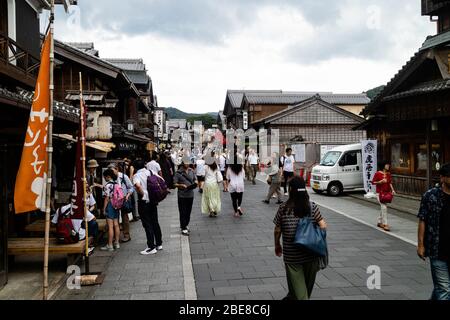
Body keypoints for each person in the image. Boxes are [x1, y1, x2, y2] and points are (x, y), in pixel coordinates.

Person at [274, 177, 328, 300]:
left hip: (292, 257)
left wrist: (277, 244)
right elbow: (323, 226)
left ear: (291, 190)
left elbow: (277, 230)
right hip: (311, 254)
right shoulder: (312, 207)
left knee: (299, 293)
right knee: (304, 293)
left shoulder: (284, 208)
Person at [417, 163, 450, 300]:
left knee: (442, 289)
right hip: (438, 251)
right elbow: (422, 220)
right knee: (444, 290)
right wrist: (420, 245)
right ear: (442, 178)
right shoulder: (431, 196)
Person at [133, 160, 163, 255]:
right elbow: (161, 180)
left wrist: (143, 195)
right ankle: (159, 244)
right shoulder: (151, 172)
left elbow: (137, 186)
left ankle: (151, 246)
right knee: (155, 222)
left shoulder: (136, 176)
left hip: (144, 202)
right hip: (153, 200)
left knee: (147, 224)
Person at [108, 162, 134, 242]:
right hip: (113, 201)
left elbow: (131, 187)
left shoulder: (123, 176)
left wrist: (128, 195)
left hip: (123, 200)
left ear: (117, 169)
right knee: (114, 219)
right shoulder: (109, 178)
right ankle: (116, 237)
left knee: (125, 218)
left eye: (112, 170)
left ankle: (126, 235)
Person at [173, 160, 197, 235]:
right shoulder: (178, 173)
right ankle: (183, 227)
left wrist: (196, 182)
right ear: (183, 163)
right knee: (182, 211)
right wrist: (180, 185)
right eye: (185, 162)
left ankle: (186, 224)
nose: (187, 164)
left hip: (190, 194)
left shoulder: (191, 171)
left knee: (188, 211)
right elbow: (174, 184)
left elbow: (195, 179)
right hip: (182, 195)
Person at [372, 160, 396, 232]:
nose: (388, 166)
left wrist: (393, 190)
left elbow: (390, 183)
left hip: (386, 193)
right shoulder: (377, 174)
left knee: (383, 207)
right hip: (379, 193)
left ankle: (379, 222)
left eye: (388, 165)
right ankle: (385, 224)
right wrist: (380, 182)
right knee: (384, 207)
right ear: (383, 166)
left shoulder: (388, 174)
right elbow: (373, 182)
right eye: (387, 165)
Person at [101, 169, 121, 252]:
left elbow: (107, 198)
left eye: (104, 177)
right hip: (116, 205)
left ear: (107, 176)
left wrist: (104, 208)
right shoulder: (116, 183)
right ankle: (117, 243)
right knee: (116, 224)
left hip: (110, 206)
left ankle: (110, 245)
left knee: (110, 226)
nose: (104, 179)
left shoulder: (107, 185)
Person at [124, 157, 140, 222]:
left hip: (132, 184)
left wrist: (129, 184)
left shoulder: (131, 167)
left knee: (134, 200)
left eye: (127, 161)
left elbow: (131, 176)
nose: (126, 163)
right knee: (134, 200)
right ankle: (136, 215)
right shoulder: (129, 167)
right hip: (133, 184)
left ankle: (136, 215)